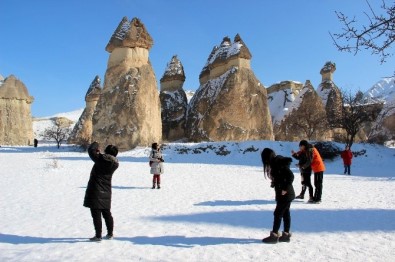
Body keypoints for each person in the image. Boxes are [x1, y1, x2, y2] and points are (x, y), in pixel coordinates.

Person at [83, 142, 119, 241]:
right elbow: (102, 157)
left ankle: (98, 235)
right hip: (106, 190)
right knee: (107, 213)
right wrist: (99, 154)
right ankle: (110, 233)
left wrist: (95, 144)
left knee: (96, 213)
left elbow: (91, 151)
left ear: (106, 152)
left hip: (96, 189)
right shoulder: (114, 163)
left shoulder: (101, 159)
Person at [261, 148, 295, 244]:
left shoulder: (278, 163)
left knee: (278, 213)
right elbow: (281, 176)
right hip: (284, 193)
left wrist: (285, 188)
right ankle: (286, 235)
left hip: (286, 194)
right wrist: (275, 182)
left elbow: (290, 176)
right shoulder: (275, 163)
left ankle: (274, 236)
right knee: (285, 213)